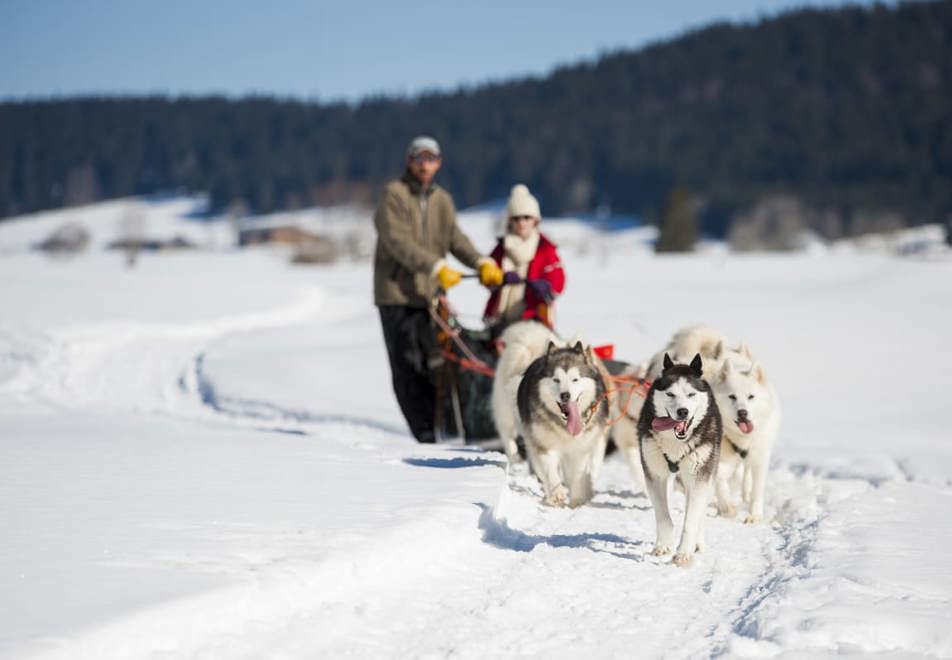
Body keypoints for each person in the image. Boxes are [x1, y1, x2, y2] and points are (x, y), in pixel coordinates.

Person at [373, 136, 504, 443]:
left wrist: (481, 262)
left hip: (429, 297)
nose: (424, 164)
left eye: (430, 159)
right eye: (419, 158)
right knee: (408, 366)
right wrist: (435, 266)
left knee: (438, 363)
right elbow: (396, 241)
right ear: (409, 161)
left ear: (438, 163)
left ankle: (441, 428)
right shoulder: (394, 194)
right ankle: (424, 434)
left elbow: (455, 239)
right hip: (397, 296)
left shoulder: (441, 200)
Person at [483, 184, 565, 332]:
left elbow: (558, 279)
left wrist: (546, 287)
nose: (521, 222)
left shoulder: (545, 249)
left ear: (535, 220)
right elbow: (486, 277)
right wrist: (500, 279)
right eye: (516, 218)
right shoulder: (500, 250)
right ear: (510, 221)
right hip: (500, 319)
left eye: (526, 217)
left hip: (534, 319)